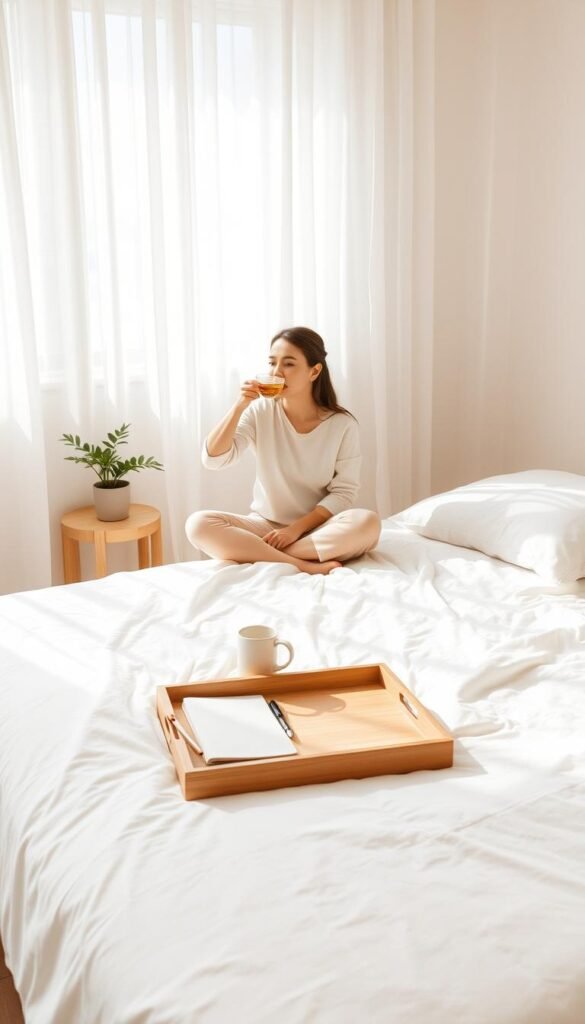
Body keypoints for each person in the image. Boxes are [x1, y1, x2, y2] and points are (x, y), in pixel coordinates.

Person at [186, 326, 381, 575]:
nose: (277, 372)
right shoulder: (261, 411)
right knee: (198, 524)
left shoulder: (342, 425)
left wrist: (295, 530)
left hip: (316, 529)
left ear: (314, 371)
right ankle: (302, 564)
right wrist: (239, 405)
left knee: (367, 523)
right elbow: (213, 460)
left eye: (288, 364)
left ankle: (260, 554)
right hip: (265, 527)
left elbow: (343, 493)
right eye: (272, 363)